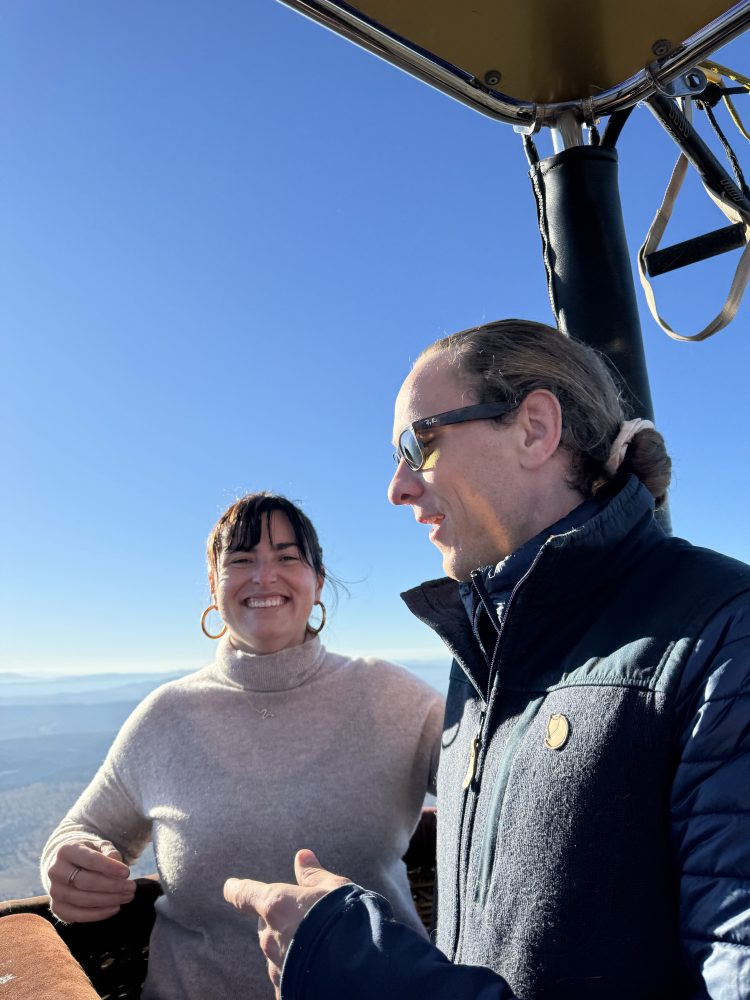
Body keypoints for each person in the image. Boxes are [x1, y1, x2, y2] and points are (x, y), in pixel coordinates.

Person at [224, 320, 750, 999]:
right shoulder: (480, 651)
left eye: (421, 443)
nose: (398, 489)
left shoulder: (723, 632)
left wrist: (369, 974)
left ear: (535, 428)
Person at [40, 492, 444, 1000]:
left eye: (286, 557)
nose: (264, 576)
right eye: (241, 559)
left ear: (318, 581)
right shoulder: (164, 716)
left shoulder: (393, 696)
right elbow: (85, 829)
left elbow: (489, 773)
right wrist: (71, 864)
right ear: (213, 586)